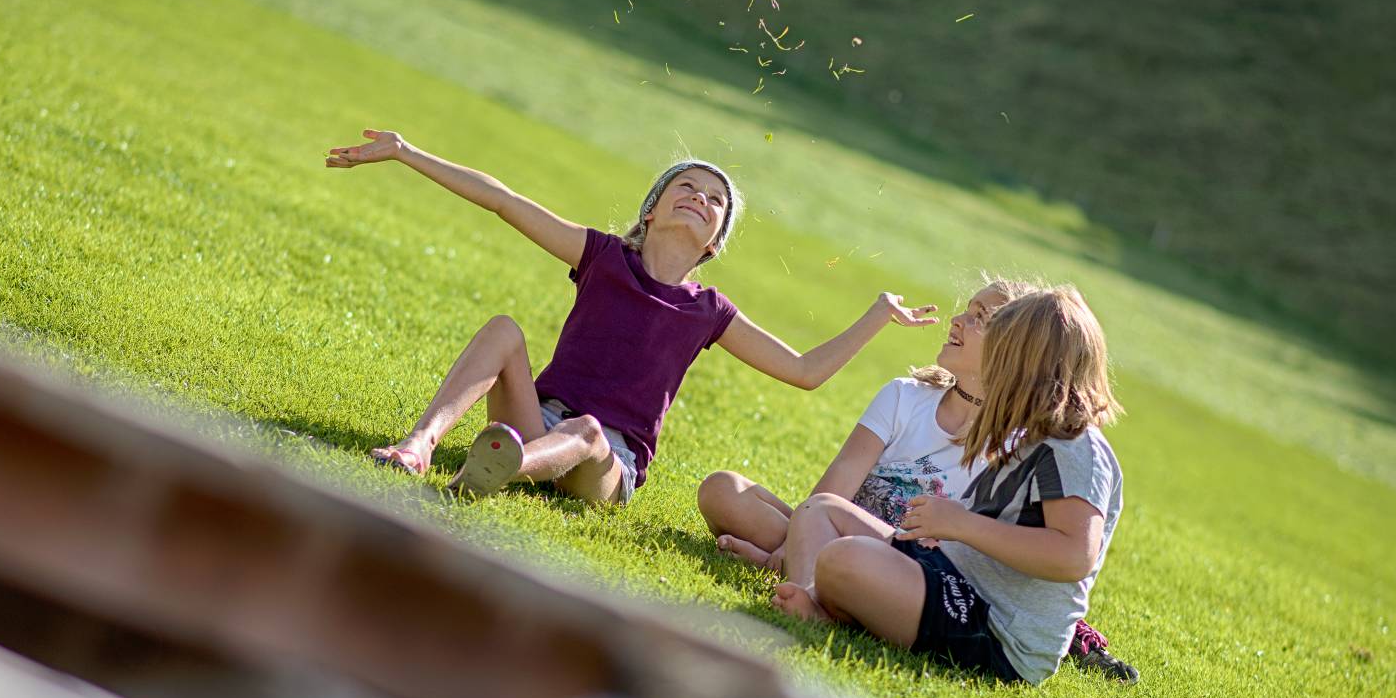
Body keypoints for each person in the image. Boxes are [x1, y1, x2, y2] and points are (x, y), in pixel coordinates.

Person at [325, 129, 937, 504]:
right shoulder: (604, 257)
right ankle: (417, 447)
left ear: (714, 243)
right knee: (505, 330)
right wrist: (406, 154)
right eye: (689, 188)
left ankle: (504, 469)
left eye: (716, 201)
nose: (701, 198)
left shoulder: (708, 311)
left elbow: (805, 370)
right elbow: (502, 200)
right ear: (651, 212)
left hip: (609, 464)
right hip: (536, 421)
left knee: (588, 430)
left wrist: (876, 315)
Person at [699, 280, 1136, 681]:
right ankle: (816, 594)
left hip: (995, 630)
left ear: (1030, 363)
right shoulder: (1034, 437)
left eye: (1000, 338)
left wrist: (960, 524)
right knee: (819, 511)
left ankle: (821, 599)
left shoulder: (1074, 448)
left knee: (842, 559)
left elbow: (1073, 556)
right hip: (954, 579)